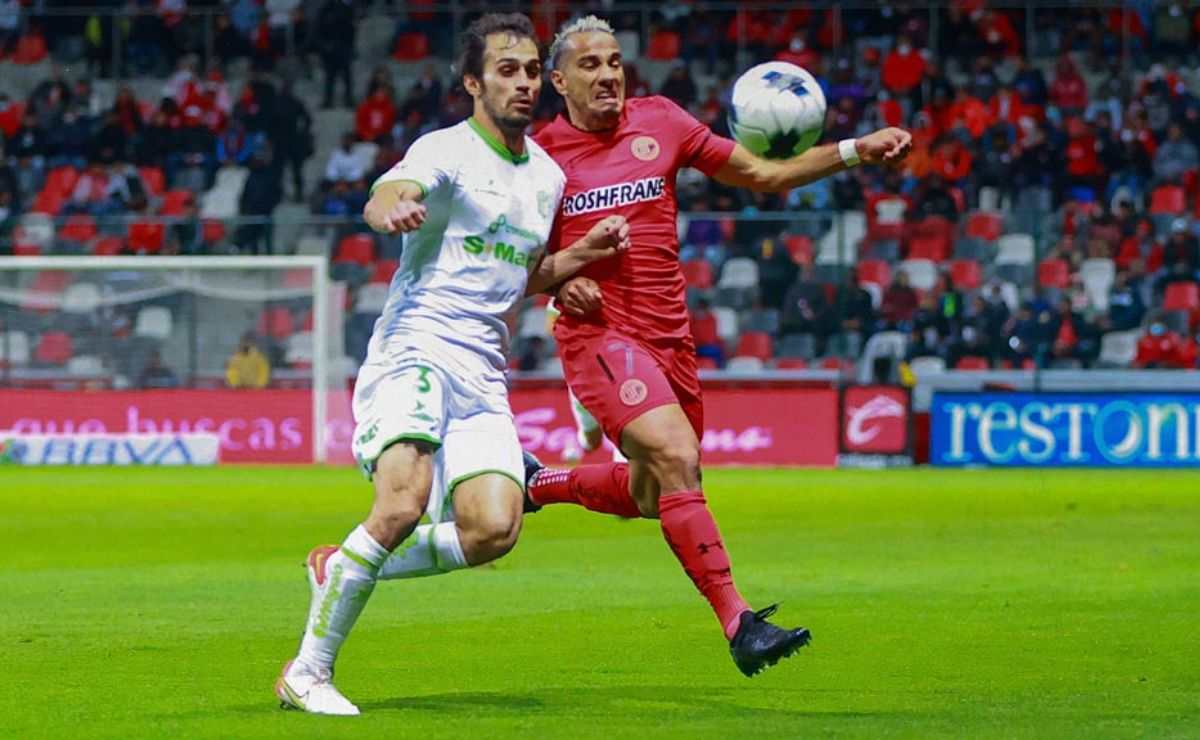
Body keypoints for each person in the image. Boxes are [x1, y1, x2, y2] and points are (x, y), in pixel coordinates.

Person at [516, 15, 911, 678]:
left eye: (614, 61)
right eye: (589, 65)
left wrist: (855, 150)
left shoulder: (662, 121)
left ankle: (539, 482)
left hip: (671, 336)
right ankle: (740, 624)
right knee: (677, 454)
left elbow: (763, 173)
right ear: (558, 81)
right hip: (599, 338)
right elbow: (512, 265)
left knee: (652, 494)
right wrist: (558, 282)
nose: (608, 74)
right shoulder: (539, 159)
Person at [275, 13, 631, 716]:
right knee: (403, 503)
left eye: (532, 70)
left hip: (483, 373)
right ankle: (308, 671)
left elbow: (520, 271)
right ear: (473, 82)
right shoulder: (444, 149)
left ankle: (342, 566)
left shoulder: (549, 177)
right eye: (507, 70)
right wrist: (396, 208)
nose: (525, 82)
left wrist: (579, 260)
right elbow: (388, 194)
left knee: (493, 529)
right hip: (418, 348)